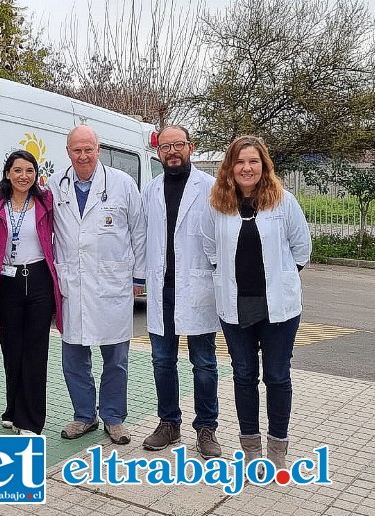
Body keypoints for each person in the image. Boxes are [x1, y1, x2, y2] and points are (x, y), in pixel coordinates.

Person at [200, 135, 311, 470]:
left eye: (253, 161)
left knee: (277, 376)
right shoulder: (217, 205)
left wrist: (282, 279)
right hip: (235, 308)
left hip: (279, 309)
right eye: (239, 161)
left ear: (264, 166)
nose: (246, 168)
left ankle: (278, 449)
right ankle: (251, 449)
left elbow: (301, 249)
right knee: (243, 375)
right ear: (229, 167)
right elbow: (210, 250)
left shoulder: (284, 202)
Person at [48, 124, 146, 445]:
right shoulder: (54, 186)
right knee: (73, 357)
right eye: (77, 150)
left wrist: (139, 277)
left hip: (112, 285)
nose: (84, 155)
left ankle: (114, 418)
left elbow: (139, 232)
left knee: (116, 358)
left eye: (89, 149)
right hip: (72, 285)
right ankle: (83, 415)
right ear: (68, 153)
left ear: (98, 149)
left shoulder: (121, 184)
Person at [141, 125, 222, 459]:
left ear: (191, 147)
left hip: (198, 286)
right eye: (165, 147)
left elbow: (222, 235)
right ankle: (169, 423)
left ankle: (206, 428)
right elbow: (144, 235)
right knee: (162, 360)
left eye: (178, 145)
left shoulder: (211, 188)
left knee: (203, 362)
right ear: (158, 152)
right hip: (162, 288)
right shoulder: (151, 189)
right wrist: (137, 276)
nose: (171, 151)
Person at [0, 150, 63, 435]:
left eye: (29, 171)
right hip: (7, 282)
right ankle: (12, 410)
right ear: (7, 173)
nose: (23, 176)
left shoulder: (46, 201)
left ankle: (31, 420)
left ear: (36, 175)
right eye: (18, 170)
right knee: (11, 350)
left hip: (38, 280)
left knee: (35, 351)